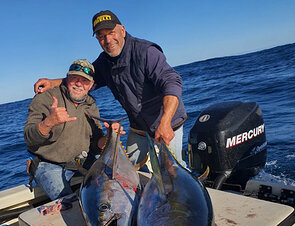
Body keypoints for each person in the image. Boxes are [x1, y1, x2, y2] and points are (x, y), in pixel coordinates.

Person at [34, 10, 187, 166]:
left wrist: (165, 121)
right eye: (101, 36)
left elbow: (172, 82)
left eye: (111, 32)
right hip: (139, 128)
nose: (107, 40)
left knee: (174, 171)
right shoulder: (103, 62)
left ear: (122, 30)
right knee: (129, 168)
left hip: (167, 123)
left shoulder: (146, 51)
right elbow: (85, 81)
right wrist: (53, 82)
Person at [25, 59, 121, 200]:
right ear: (67, 78)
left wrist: (108, 137)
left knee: (114, 186)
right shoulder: (45, 99)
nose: (78, 84)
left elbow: (96, 145)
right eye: (74, 78)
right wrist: (48, 123)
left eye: (84, 81)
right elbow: (29, 138)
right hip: (49, 165)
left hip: (82, 162)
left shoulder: (91, 106)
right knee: (69, 202)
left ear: (91, 85)